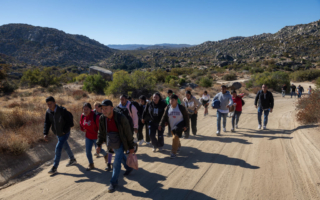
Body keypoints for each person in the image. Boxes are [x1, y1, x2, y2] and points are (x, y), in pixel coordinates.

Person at [96, 99, 135, 193]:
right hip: (111, 141)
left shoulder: (121, 118)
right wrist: (98, 144)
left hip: (121, 141)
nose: (104, 110)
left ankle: (113, 182)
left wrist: (131, 147)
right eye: (102, 109)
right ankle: (129, 168)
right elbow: (101, 132)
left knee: (116, 162)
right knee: (119, 156)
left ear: (112, 108)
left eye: (106, 108)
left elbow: (128, 133)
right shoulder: (102, 118)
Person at [43, 96, 77, 175]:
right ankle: (72, 159)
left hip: (65, 133)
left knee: (58, 148)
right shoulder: (48, 112)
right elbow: (47, 123)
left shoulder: (62, 110)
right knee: (66, 146)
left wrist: (65, 130)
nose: (49, 105)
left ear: (55, 103)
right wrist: (45, 133)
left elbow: (69, 121)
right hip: (58, 133)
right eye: (48, 104)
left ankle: (54, 167)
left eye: (50, 103)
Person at [80, 103, 110, 171]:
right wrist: (83, 129)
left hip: (96, 137)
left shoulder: (95, 116)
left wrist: (101, 138)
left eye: (87, 109)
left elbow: (100, 128)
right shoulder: (82, 116)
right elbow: (81, 124)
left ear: (90, 109)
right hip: (88, 136)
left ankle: (105, 154)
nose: (85, 111)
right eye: (84, 109)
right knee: (88, 151)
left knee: (98, 150)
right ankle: (91, 164)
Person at [160, 94, 189, 159]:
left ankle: (173, 152)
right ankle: (178, 145)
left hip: (180, 126)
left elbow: (186, 117)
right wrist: (160, 124)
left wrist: (186, 126)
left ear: (176, 101)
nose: (171, 101)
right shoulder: (167, 108)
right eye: (170, 100)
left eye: (173, 100)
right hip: (172, 126)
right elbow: (164, 117)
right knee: (175, 137)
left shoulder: (181, 108)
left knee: (175, 137)